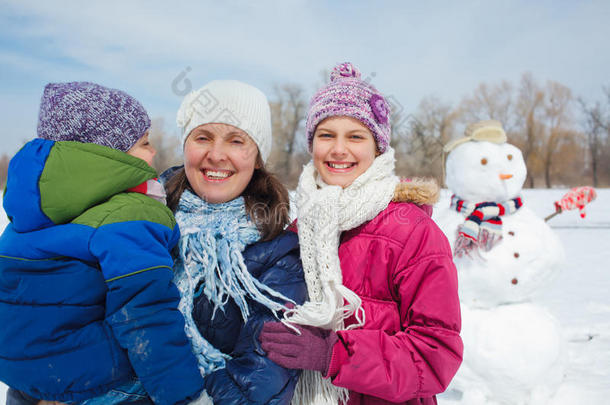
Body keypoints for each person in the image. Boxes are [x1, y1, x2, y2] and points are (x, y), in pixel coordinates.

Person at [259, 63, 463, 405]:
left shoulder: (413, 232)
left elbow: (436, 355)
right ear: (312, 144)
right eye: (326, 135)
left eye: (355, 136)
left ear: (378, 147)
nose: (339, 150)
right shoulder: (300, 229)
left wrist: (335, 355)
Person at [0, 82, 209, 405]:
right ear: (108, 154)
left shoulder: (30, 211)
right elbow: (145, 314)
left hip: (25, 379)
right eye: (144, 143)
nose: (153, 152)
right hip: (99, 382)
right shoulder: (132, 212)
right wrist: (185, 396)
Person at [162, 79, 307, 404]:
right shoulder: (143, 226)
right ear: (185, 145)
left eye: (236, 140)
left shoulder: (279, 256)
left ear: (257, 157)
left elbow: (260, 384)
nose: (216, 154)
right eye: (203, 137)